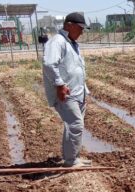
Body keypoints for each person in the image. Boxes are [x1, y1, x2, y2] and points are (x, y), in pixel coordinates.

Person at [43, 12, 91, 167]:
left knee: (75, 125)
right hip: (66, 92)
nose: (82, 32)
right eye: (80, 28)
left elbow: (76, 68)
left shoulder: (72, 43)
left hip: (78, 92)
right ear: (69, 25)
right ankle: (71, 161)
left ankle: (73, 157)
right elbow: (49, 64)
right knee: (75, 124)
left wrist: (85, 90)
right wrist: (60, 85)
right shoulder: (57, 41)